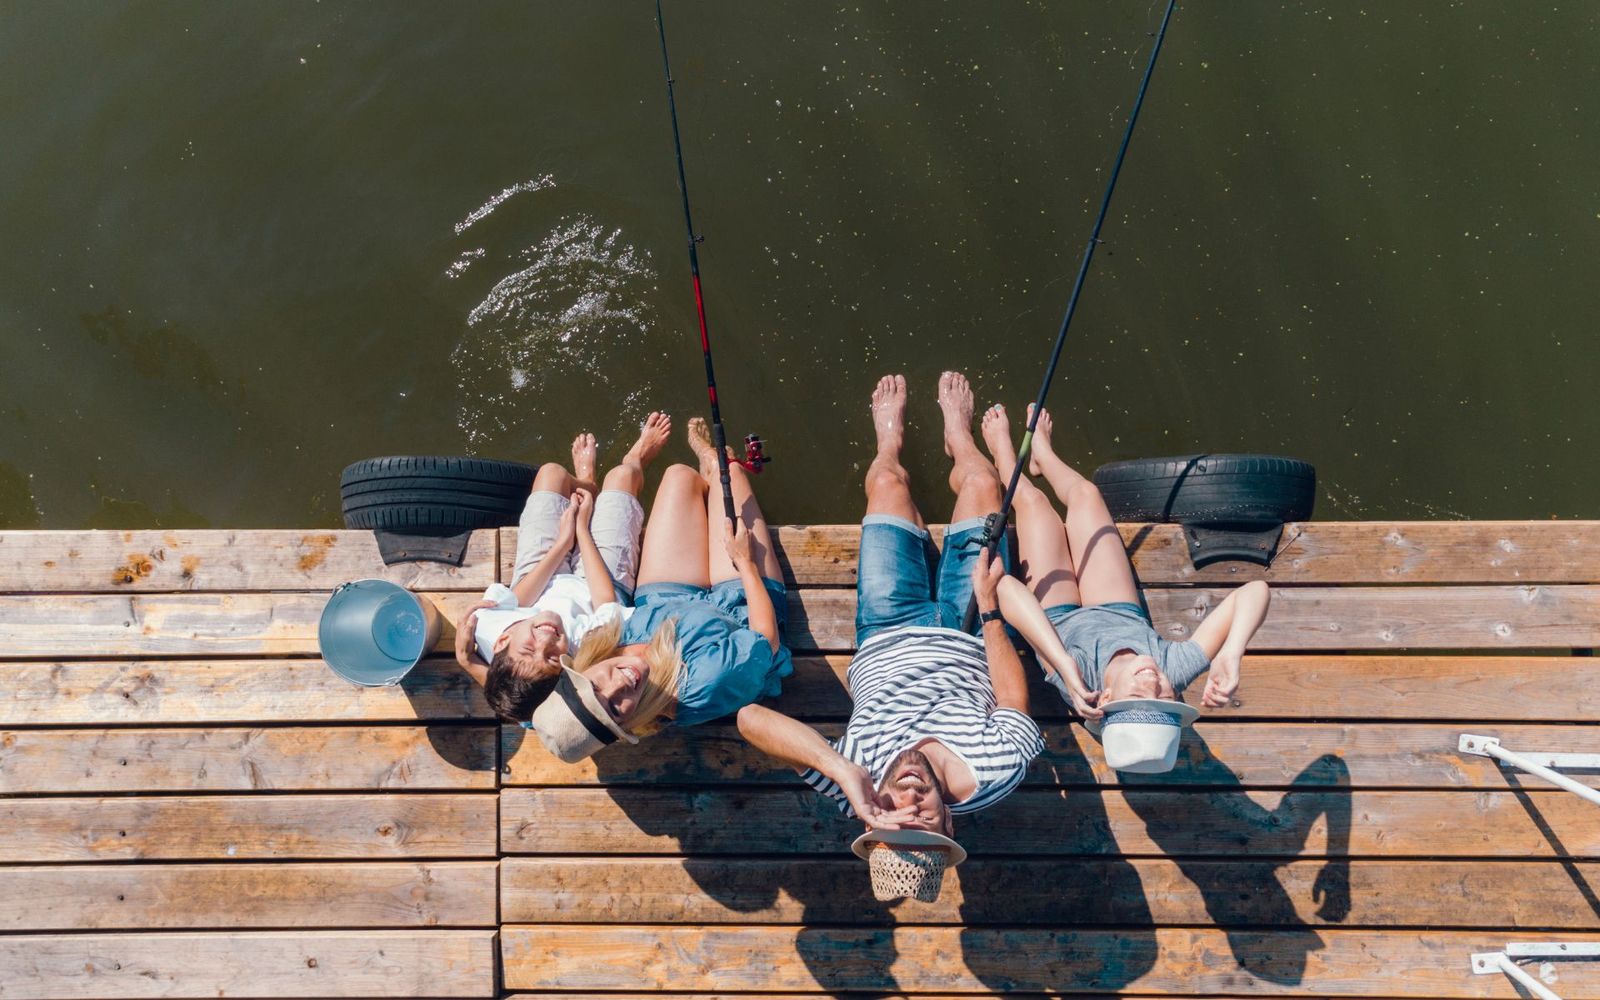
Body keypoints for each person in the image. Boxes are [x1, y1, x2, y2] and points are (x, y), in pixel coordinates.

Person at [736, 373, 1047, 904]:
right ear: (950, 827)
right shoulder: (998, 771)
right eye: (922, 824)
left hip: (884, 630)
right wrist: (991, 609)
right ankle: (958, 435)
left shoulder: (855, 782)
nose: (908, 804)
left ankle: (889, 441)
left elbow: (749, 718)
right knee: (982, 486)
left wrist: (839, 768)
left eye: (895, 819)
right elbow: (1014, 700)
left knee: (886, 485)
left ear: (876, 817)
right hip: (967, 627)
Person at [978, 400, 1271, 773]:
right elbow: (1255, 590)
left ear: (1108, 697)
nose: (1153, 683)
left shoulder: (1081, 682)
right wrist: (1231, 652)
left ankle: (1005, 455)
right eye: (1165, 697)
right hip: (1116, 606)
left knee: (1035, 507)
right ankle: (1043, 456)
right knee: (1086, 495)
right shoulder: (1172, 671)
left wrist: (1063, 662)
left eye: (1138, 695)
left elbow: (1004, 590)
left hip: (1057, 615)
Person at [528, 417, 792, 761]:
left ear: (581, 671)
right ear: (629, 724)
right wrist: (745, 563)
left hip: (669, 600)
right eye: (616, 709)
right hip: (743, 609)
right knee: (729, 473)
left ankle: (708, 469)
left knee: (679, 476)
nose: (619, 685)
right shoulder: (700, 687)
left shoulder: (597, 645)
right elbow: (765, 639)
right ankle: (715, 461)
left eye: (595, 687)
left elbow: (518, 697)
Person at [451, 414, 672, 724]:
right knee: (621, 477)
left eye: (528, 647)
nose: (546, 640)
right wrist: (580, 529)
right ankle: (637, 458)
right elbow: (606, 603)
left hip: (540, 576)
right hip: (597, 586)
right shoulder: (579, 652)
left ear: (502, 642)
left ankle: (588, 484)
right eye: (552, 657)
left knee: (551, 474)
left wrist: (562, 542)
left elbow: (518, 600)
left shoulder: (486, 628)